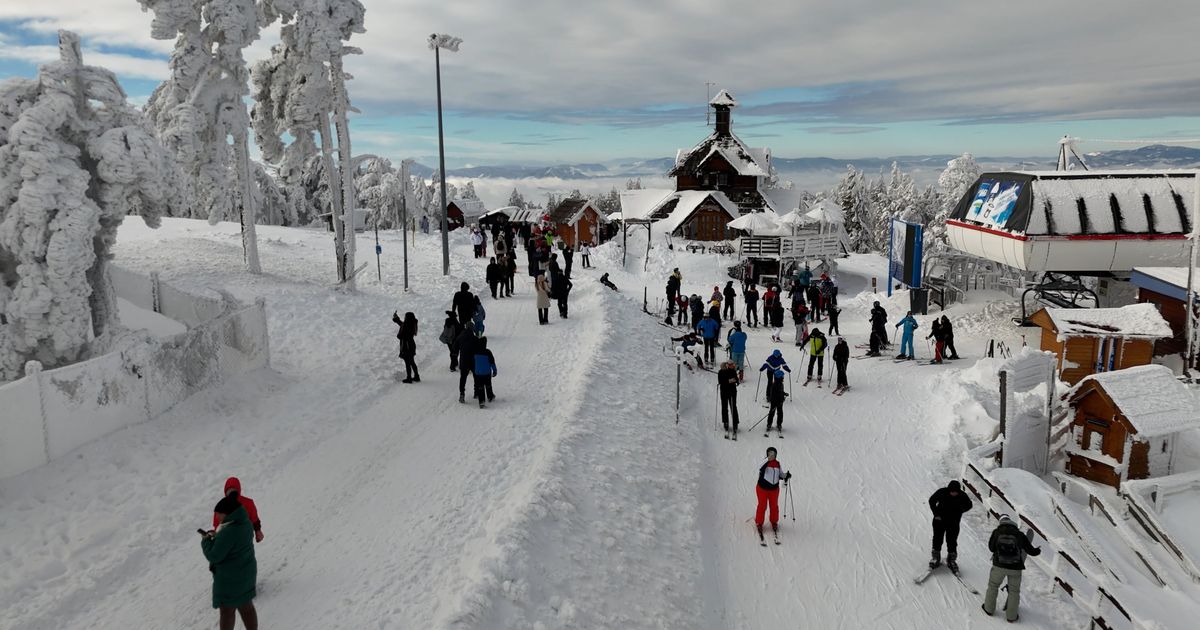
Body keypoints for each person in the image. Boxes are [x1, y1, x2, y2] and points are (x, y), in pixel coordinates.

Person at [202, 494, 258, 630]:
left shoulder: (228, 532)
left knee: (227, 611)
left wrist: (206, 541)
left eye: (219, 514)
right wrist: (219, 537)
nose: (217, 518)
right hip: (246, 573)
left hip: (231, 579)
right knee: (247, 607)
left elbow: (214, 555)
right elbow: (234, 544)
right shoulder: (245, 523)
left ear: (228, 514)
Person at [983, 515, 1042, 623]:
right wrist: (1038, 551)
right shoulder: (1019, 534)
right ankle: (1011, 616)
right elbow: (1031, 551)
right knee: (1014, 591)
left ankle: (988, 609)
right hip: (1015, 568)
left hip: (999, 565)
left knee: (993, 586)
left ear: (1001, 522)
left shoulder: (997, 532)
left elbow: (991, 548)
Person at [928, 480, 973, 573]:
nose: (953, 493)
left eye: (955, 492)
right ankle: (936, 558)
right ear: (949, 489)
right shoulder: (942, 492)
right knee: (937, 538)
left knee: (952, 540)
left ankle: (951, 560)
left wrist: (961, 510)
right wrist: (936, 514)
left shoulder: (962, 495)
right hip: (939, 521)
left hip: (953, 523)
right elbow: (932, 500)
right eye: (952, 491)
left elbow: (969, 505)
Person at [754, 447, 791, 541]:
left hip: (774, 490)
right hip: (762, 489)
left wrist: (786, 475)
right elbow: (759, 467)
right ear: (767, 454)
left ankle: (774, 522)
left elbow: (780, 474)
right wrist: (767, 459)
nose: (772, 455)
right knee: (762, 506)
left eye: (773, 453)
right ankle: (759, 523)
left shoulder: (777, 464)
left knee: (774, 506)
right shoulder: (764, 462)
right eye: (770, 453)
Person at [211, 477, 264, 543]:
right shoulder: (248, 502)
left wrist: (258, 531)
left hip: (235, 540)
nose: (231, 493)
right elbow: (255, 520)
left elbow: (217, 527)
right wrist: (258, 531)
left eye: (233, 490)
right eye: (229, 490)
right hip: (242, 539)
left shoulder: (221, 505)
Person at [393, 311, 420, 383]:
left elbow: (400, 336)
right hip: (411, 345)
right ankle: (416, 376)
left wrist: (399, 334)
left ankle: (409, 378)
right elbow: (401, 324)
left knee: (408, 363)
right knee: (412, 362)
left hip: (406, 346)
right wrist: (396, 318)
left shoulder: (406, 326)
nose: (404, 317)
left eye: (405, 316)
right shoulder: (412, 324)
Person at [455, 326, 479, 403]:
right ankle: (476, 392)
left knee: (463, 378)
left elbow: (454, 348)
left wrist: (455, 354)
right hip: (473, 361)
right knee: (476, 376)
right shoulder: (475, 338)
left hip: (463, 360)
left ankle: (462, 394)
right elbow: (480, 348)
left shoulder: (460, 337)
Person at [472, 336, 498, 408]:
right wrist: (495, 370)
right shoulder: (488, 352)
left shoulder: (475, 352)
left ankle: (481, 401)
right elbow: (492, 362)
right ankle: (490, 396)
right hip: (487, 373)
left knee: (480, 387)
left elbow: (473, 362)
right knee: (488, 385)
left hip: (478, 373)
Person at [718, 360, 740, 438]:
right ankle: (726, 422)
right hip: (724, 392)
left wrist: (735, 381)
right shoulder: (721, 371)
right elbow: (721, 382)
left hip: (732, 392)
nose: (732, 366)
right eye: (731, 364)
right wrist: (730, 381)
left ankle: (735, 423)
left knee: (733, 407)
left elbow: (736, 379)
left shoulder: (733, 371)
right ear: (727, 365)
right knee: (724, 407)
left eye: (732, 364)